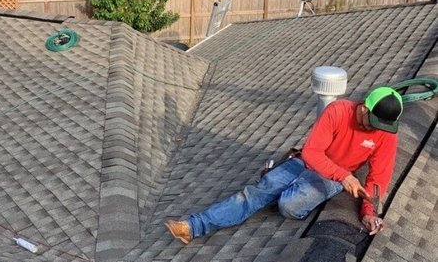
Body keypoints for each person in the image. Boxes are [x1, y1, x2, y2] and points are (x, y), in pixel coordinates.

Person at [166, 86, 403, 244]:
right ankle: (193, 226)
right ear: (363, 107)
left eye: (381, 126)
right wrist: (345, 176)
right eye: (372, 122)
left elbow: (378, 177)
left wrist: (370, 213)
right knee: (255, 193)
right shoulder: (338, 111)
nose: (375, 129)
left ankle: (273, 183)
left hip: (329, 180)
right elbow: (312, 152)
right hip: (307, 163)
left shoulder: (386, 134)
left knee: (289, 205)